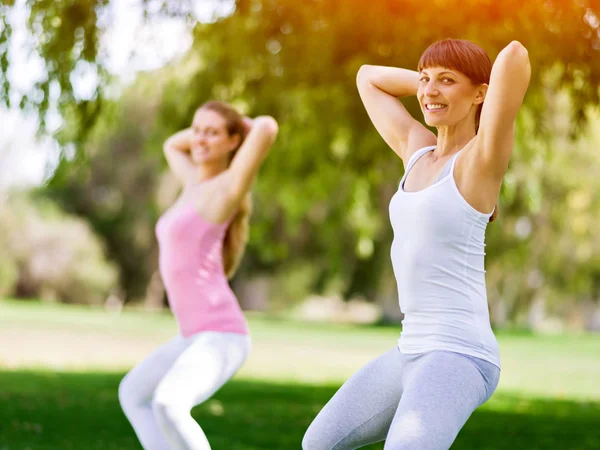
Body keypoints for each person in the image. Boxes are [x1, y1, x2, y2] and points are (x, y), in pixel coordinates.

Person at [302, 39, 531, 450]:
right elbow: (368, 78)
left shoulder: (479, 162)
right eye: (425, 80)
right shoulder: (416, 151)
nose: (428, 90)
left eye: (447, 80)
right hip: (409, 349)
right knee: (319, 443)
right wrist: (432, 87)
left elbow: (514, 55)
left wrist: (468, 91)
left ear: (481, 92)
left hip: (459, 353)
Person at [118, 100, 278, 449]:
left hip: (221, 334)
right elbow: (171, 145)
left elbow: (266, 126)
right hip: (191, 335)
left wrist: (239, 125)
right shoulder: (192, 182)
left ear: (234, 141)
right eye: (197, 130)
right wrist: (207, 132)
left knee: (169, 404)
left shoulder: (227, 188)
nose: (200, 140)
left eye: (213, 133)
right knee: (133, 392)